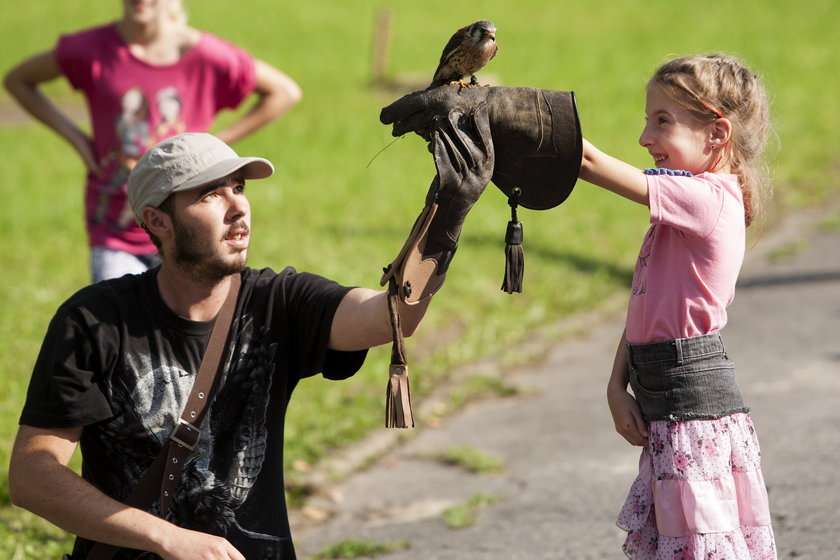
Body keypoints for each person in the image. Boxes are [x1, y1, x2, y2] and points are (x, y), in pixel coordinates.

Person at [8, 123, 494, 558]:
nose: (238, 206)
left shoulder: (276, 301)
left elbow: (391, 317)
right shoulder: (95, 321)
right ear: (158, 221)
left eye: (238, 188)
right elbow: (33, 476)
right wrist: (165, 537)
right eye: (209, 194)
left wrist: (448, 209)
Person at [577, 54, 777, 559]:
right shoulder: (685, 202)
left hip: (692, 411)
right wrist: (616, 383)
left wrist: (504, 116)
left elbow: (590, 164)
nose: (645, 137)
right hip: (665, 403)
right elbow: (644, 305)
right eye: (648, 119)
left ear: (717, 134)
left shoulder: (709, 200)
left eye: (662, 120)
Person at [3, 0, 302, 283]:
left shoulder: (206, 55)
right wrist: (78, 139)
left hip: (187, 228)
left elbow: (285, 92)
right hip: (115, 226)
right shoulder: (91, 49)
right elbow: (18, 80)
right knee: (121, 325)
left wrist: (214, 144)